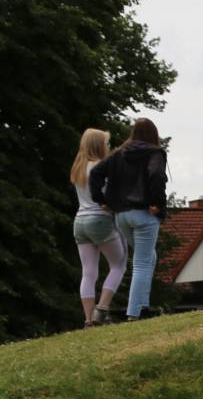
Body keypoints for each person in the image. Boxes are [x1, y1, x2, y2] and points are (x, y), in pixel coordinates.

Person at [89, 117, 168, 321]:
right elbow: (157, 176)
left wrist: (102, 200)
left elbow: (96, 173)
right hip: (144, 214)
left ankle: (143, 306)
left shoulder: (118, 154)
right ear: (154, 135)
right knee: (142, 263)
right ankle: (135, 313)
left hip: (121, 216)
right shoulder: (155, 153)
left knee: (149, 257)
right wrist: (157, 204)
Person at [69, 128, 127, 327]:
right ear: (99, 145)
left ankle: (88, 319)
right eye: (106, 143)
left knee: (88, 272)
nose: (108, 147)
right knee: (118, 264)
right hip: (100, 219)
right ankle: (101, 310)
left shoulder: (77, 168)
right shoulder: (102, 168)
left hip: (80, 222)